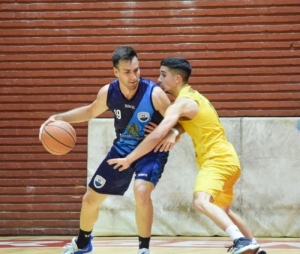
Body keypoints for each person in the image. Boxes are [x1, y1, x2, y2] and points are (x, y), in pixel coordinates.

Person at [107, 57, 266, 254]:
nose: (159, 79)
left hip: (216, 161)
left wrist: (129, 158)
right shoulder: (194, 97)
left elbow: (157, 133)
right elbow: (185, 123)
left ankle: (241, 241)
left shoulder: (181, 103)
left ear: (177, 79)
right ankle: (256, 248)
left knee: (200, 201)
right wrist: (175, 131)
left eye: (163, 75)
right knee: (223, 211)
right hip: (229, 160)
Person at [39, 46, 177, 254]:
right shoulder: (108, 92)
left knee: (141, 192)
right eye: (127, 71)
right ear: (116, 72)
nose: (134, 76)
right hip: (123, 148)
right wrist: (60, 118)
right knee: (89, 199)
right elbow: (90, 111)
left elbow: (179, 119)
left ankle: (144, 249)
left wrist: (169, 131)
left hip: (151, 150)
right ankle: (83, 242)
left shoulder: (154, 93)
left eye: (137, 70)